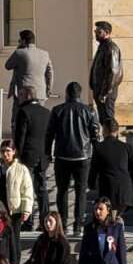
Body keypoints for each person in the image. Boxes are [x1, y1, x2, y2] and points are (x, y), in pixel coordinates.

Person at [47, 81, 99, 233]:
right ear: (80, 94)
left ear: (67, 94)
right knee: (81, 192)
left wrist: (47, 152)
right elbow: (95, 133)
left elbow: (49, 134)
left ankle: (62, 222)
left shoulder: (57, 110)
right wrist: (97, 153)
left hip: (62, 156)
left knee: (62, 191)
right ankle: (78, 224)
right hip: (83, 157)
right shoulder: (88, 111)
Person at [11, 87, 49, 228]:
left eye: (20, 95)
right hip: (43, 156)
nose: (18, 98)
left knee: (27, 188)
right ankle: (45, 220)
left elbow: (21, 136)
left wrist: (17, 154)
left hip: (28, 155)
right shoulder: (46, 112)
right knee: (42, 189)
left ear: (27, 96)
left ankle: (29, 221)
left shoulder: (24, 112)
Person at [89, 119, 133, 216]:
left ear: (105, 130)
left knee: (110, 219)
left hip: (107, 189)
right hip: (124, 190)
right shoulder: (127, 147)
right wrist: (130, 184)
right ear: (117, 131)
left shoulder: (99, 148)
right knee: (116, 218)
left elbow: (93, 169)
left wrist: (91, 184)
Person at [0, 140, 34, 233]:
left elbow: (27, 191)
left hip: (14, 211)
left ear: (14, 151)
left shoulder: (21, 169)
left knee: (14, 241)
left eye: (8, 150)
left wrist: (26, 210)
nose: (5, 154)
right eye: (2, 151)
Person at [6, 29, 54, 106]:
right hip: (40, 94)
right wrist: (48, 90)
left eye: (19, 41)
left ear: (24, 41)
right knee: (39, 117)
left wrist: (18, 48)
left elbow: (7, 66)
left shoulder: (20, 53)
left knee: (20, 117)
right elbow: (50, 74)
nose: (19, 42)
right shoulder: (45, 54)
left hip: (23, 95)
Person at [89, 21, 122, 127]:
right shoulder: (103, 47)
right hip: (100, 91)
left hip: (106, 93)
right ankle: (106, 141)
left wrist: (105, 92)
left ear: (106, 32)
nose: (96, 33)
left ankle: (111, 142)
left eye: (99, 31)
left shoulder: (110, 48)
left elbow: (113, 72)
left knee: (108, 121)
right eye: (95, 31)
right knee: (103, 121)